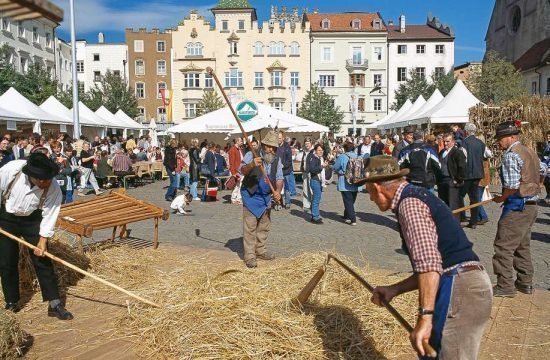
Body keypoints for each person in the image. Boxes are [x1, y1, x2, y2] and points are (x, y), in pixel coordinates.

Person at [356, 155, 491, 359]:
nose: (371, 199)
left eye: (369, 193)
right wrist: (395, 289)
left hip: (460, 288)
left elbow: (429, 266)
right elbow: (433, 266)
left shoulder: (409, 204)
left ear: (376, 187)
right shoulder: (418, 195)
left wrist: (425, 318)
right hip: (463, 283)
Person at [0, 152, 74, 320]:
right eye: (41, 180)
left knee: (43, 259)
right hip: (6, 217)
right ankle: (12, 301)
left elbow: (50, 213)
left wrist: (43, 240)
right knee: (6, 261)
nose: (45, 183)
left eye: (47, 179)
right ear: (31, 175)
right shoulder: (10, 171)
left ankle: (54, 303)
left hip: (32, 219)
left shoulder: (52, 186)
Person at [492, 121, 545, 297]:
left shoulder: (511, 155)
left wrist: (500, 198)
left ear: (512, 137)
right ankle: (525, 282)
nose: (498, 142)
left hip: (518, 205)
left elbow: (512, 186)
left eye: (501, 138)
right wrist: (537, 185)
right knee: (522, 245)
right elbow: (544, 170)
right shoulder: (530, 151)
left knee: (503, 246)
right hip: (532, 204)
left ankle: (505, 285)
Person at [240, 130, 283, 268]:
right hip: (251, 195)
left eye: (274, 147)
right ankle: (250, 256)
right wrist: (252, 164)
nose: (271, 150)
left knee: (264, 226)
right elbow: (241, 170)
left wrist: (278, 191)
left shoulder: (277, 159)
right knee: (250, 227)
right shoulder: (251, 154)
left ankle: (261, 250)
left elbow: (279, 178)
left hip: (265, 197)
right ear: (263, 145)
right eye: (269, 146)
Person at [459, 123, 486, 229]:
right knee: (474, 198)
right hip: (478, 173)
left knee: (460, 195)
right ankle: (474, 221)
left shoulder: (464, 143)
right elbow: (486, 154)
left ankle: (462, 217)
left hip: (467, 174)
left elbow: (463, 158)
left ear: (466, 132)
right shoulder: (481, 143)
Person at [437, 133, 467, 222]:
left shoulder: (457, 152)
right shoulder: (442, 152)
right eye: (444, 141)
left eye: (448, 141)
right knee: (444, 203)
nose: (445, 143)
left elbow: (462, 167)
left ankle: (455, 223)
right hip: (442, 181)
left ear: (453, 142)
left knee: (453, 204)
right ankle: (447, 222)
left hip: (451, 180)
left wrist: (457, 180)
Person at [333, 142, 360, 225]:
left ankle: (353, 219)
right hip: (355, 181)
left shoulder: (342, 156)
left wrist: (340, 171)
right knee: (351, 201)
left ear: (345, 148)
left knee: (348, 201)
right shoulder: (357, 156)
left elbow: (335, 167)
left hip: (345, 182)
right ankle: (347, 215)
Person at [308, 144, 326, 224]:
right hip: (315, 180)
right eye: (319, 150)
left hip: (319, 180)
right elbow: (312, 170)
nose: (321, 152)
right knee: (316, 199)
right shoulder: (313, 158)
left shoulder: (320, 158)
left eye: (322, 150)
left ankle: (314, 215)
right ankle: (315, 216)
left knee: (317, 199)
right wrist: (322, 167)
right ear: (315, 150)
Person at [277, 131, 294, 209]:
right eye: (277, 138)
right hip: (277, 171)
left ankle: (287, 202)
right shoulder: (275, 147)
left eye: (280, 138)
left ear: (283, 138)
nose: (278, 139)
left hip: (286, 170)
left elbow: (289, 160)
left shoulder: (287, 147)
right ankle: (279, 202)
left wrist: (283, 165)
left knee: (287, 187)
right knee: (278, 187)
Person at [228, 137, 244, 205]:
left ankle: (236, 198)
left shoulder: (239, 149)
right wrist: (233, 173)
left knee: (239, 184)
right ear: (237, 141)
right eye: (241, 141)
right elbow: (231, 162)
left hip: (240, 170)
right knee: (238, 185)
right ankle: (235, 198)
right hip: (236, 171)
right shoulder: (233, 150)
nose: (242, 142)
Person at [300, 138, 313, 211]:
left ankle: (312, 203)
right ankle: (306, 204)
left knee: (311, 188)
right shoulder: (304, 151)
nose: (307, 144)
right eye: (306, 143)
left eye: (308, 143)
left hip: (311, 172)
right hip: (304, 171)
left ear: (311, 143)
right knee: (305, 188)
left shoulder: (313, 151)